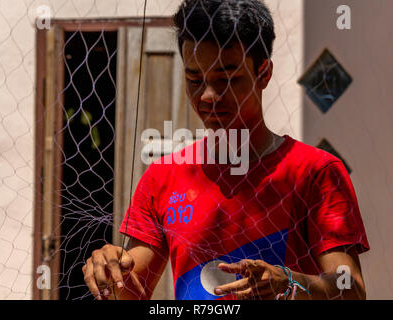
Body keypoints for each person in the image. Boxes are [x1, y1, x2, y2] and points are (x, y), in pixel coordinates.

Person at [82, 0, 370, 300]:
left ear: (264, 73)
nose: (208, 96)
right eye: (195, 79)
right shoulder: (162, 178)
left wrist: (288, 283)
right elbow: (130, 292)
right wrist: (107, 271)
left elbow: (351, 290)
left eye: (226, 79)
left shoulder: (315, 173)